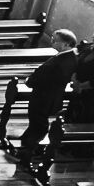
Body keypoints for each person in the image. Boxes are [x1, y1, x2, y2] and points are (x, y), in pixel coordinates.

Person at [17, 28, 79, 157]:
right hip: (50, 96)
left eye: (55, 41)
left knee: (39, 121)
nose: (52, 42)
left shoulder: (61, 62)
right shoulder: (70, 57)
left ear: (66, 44)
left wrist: (29, 81)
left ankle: (32, 148)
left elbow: (43, 78)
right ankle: (28, 139)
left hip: (44, 97)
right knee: (36, 120)